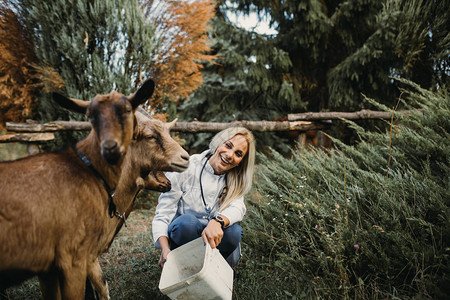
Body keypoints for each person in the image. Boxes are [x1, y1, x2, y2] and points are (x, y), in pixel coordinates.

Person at [152, 127, 255, 268]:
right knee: (186, 223)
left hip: (215, 241)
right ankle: (185, 262)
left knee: (234, 232)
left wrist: (217, 221)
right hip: (186, 236)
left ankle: (214, 266)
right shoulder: (186, 167)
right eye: (228, 145)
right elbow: (163, 215)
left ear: (241, 162)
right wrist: (165, 249)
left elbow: (238, 208)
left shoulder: (236, 179)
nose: (230, 155)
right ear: (219, 143)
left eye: (238, 154)